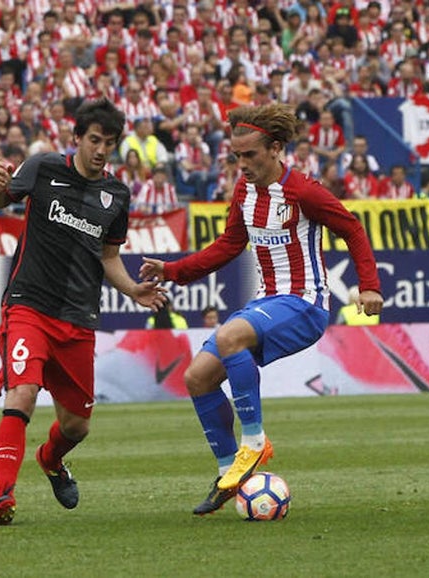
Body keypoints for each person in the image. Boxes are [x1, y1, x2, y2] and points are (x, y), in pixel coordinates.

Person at [139, 104, 384, 515]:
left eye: (249, 155)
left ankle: (254, 442)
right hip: (268, 302)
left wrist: (370, 286)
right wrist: (172, 270)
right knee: (197, 377)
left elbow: (352, 229)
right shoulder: (243, 192)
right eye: (236, 156)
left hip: (305, 304)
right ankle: (229, 475)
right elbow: (227, 246)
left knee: (229, 336)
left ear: (276, 149)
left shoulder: (304, 191)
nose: (242, 164)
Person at [0, 98, 167, 526]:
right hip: (28, 305)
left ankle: (50, 460)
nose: (101, 150)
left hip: (79, 320)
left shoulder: (116, 194)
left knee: (77, 427)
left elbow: (108, 257)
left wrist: (132, 289)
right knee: (22, 394)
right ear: (78, 138)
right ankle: (2, 497)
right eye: (95, 140)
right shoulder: (44, 167)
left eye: (110, 143)